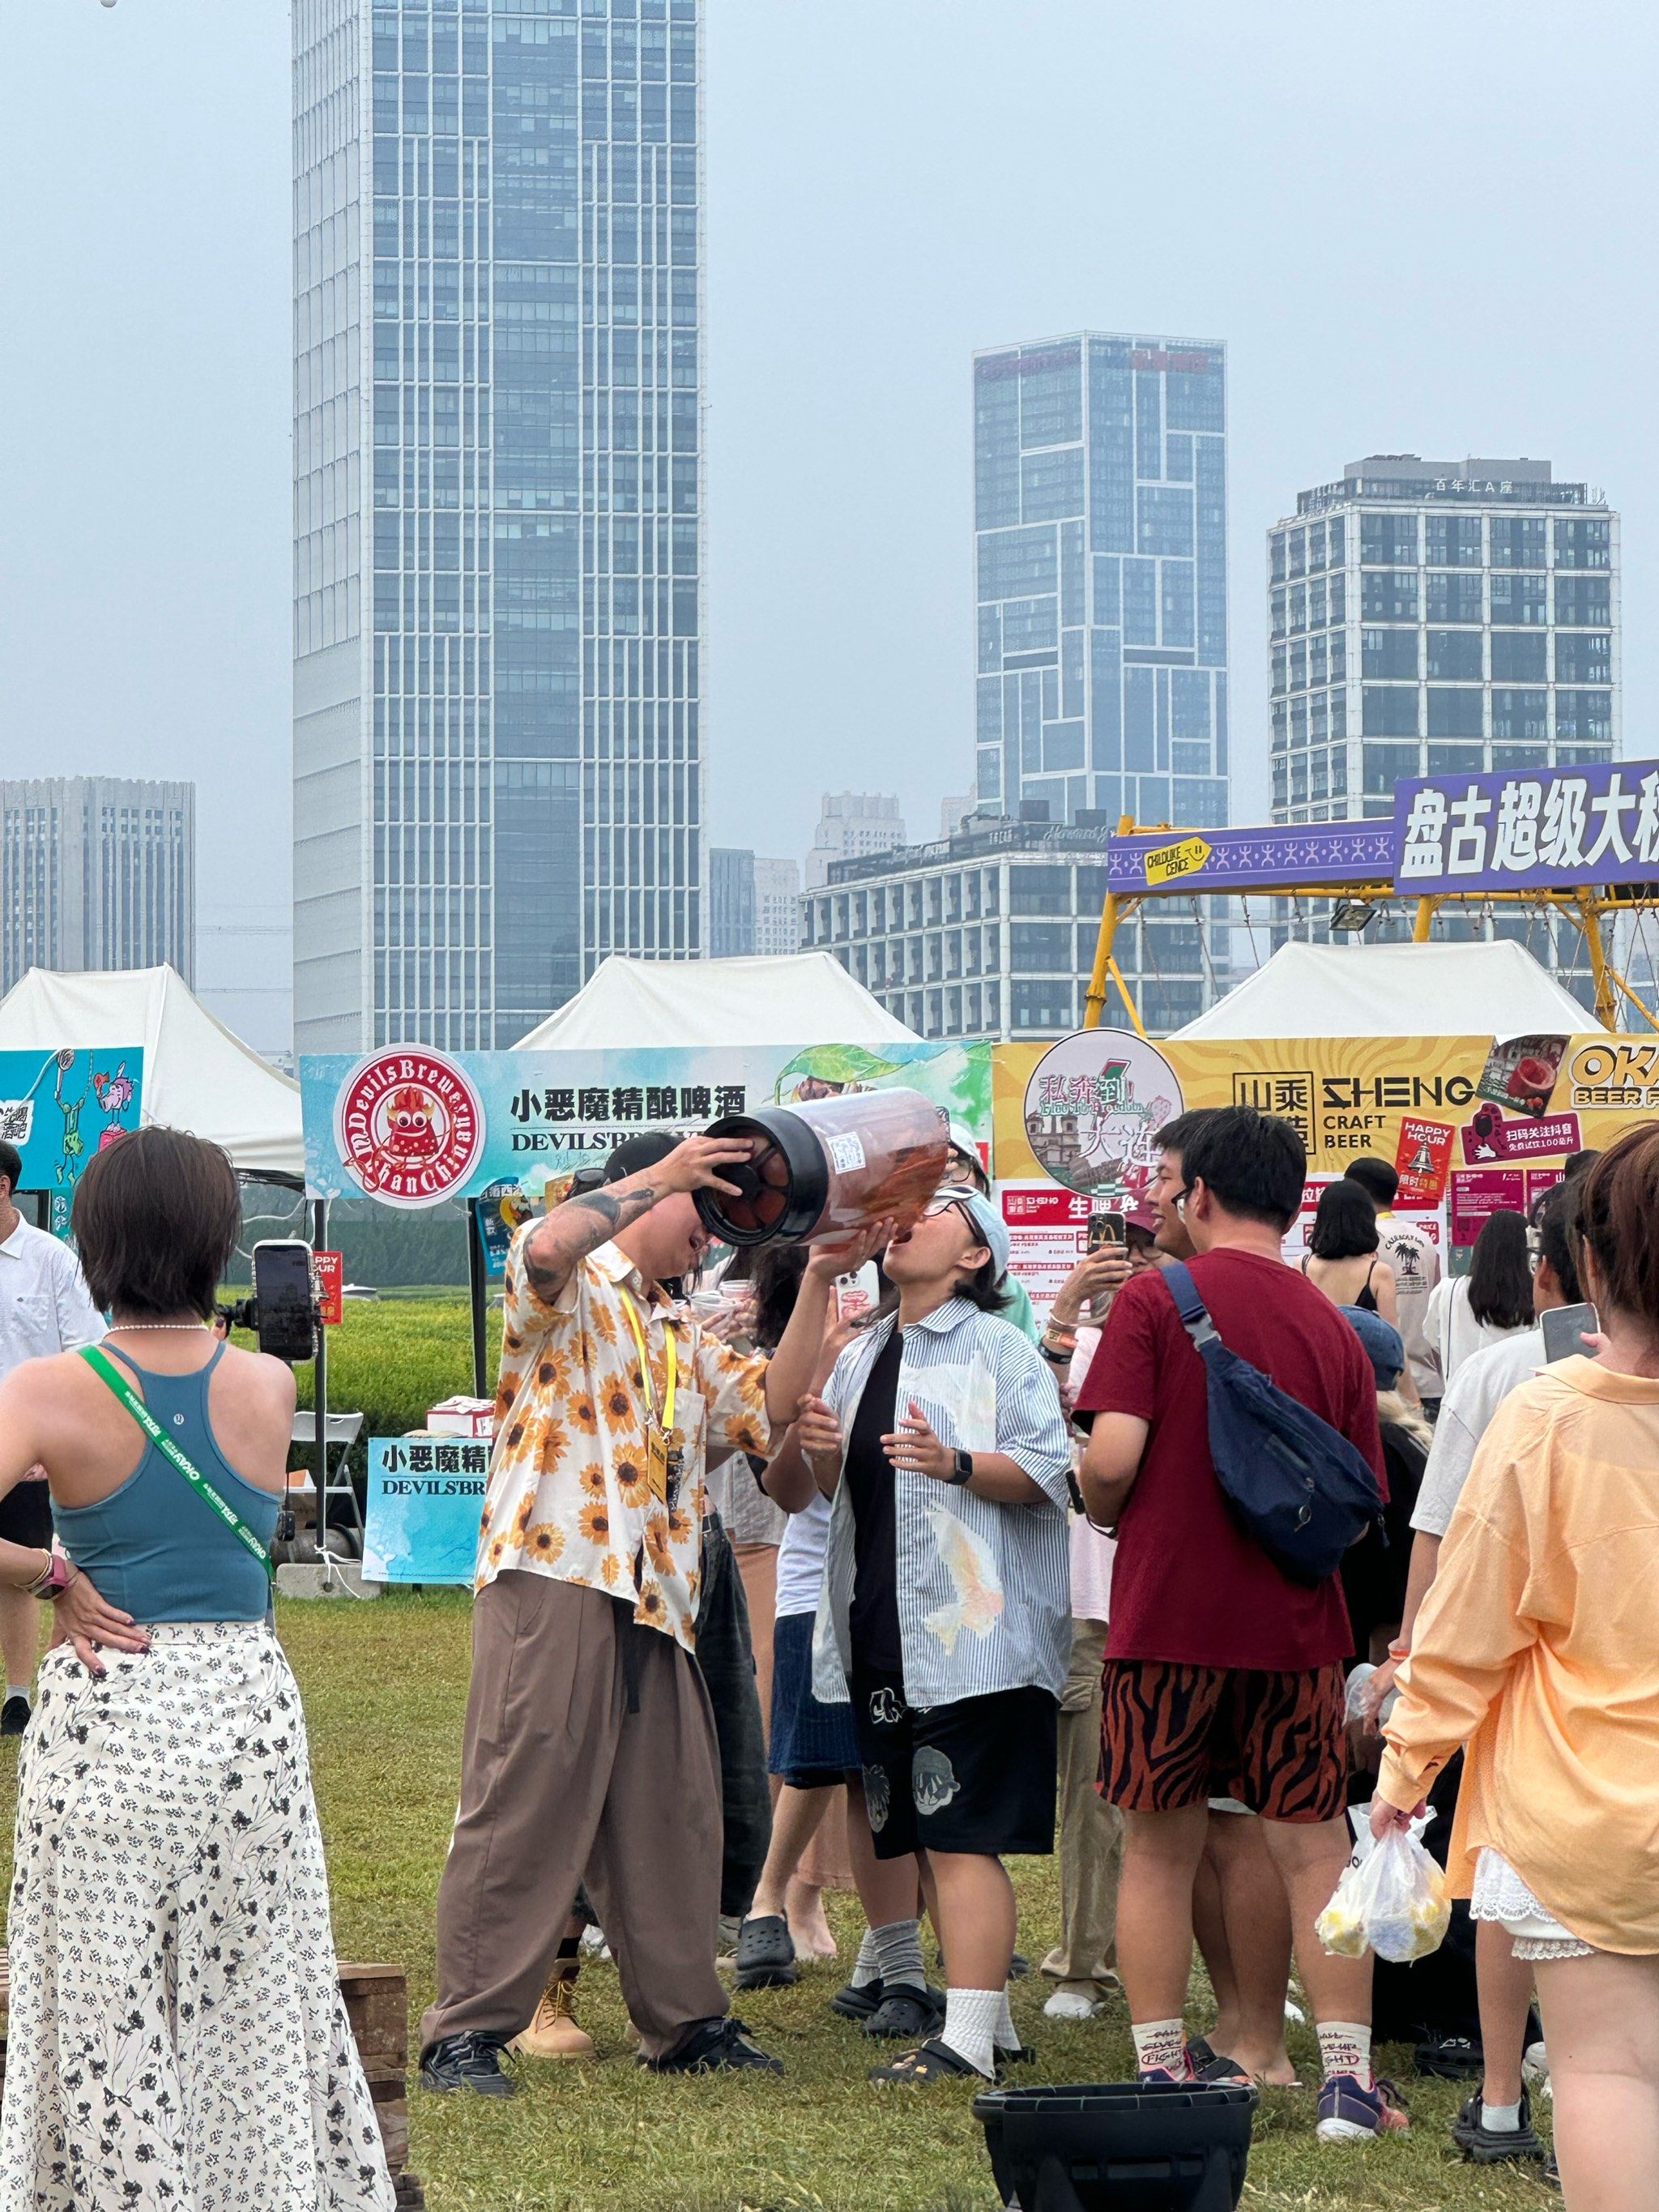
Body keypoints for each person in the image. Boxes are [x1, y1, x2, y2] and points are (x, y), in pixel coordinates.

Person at [421, 1129, 877, 2095]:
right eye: (701, 1213)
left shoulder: (677, 1329)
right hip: (557, 1571)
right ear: (654, 1194)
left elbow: (772, 1404)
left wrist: (826, 1276)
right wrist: (663, 1175)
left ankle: (685, 2023)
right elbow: (544, 1248)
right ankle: (465, 2029)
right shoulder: (572, 1284)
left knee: (669, 1814)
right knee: (522, 1797)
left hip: (657, 1595)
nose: (710, 1239)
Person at [0, 1126, 394, 2209]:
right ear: (217, 1242)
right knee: (255, 2011)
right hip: (243, 1719)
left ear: (95, 1243)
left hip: (110, 1713)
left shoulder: (46, 1388)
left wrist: (48, 1573)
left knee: (100, 2014)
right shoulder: (267, 1384)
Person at [1077, 1105, 1405, 2142]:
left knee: (1158, 1852)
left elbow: (1113, 1460)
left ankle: (1164, 2069)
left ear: (1198, 1195)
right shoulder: (1332, 1326)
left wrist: (1095, 1499)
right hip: (1296, 1631)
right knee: (1314, 1853)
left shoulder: (1152, 1298)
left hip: (1165, 1622)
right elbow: (1360, 1494)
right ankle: (1346, 2082)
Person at [1373, 1125, 1659, 2210]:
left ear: (1593, 1260)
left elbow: (1462, 1630)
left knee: (1606, 2072)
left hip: (1580, 1813)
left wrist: (1403, 1781)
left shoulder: (1543, 1418)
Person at [795, 1186, 1073, 2084]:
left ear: (974, 1257)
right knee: (904, 1823)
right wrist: (817, 1445)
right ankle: (974, 2019)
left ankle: (969, 2037)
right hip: (881, 1626)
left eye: (943, 1208)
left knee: (960, 1834)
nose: (910, 1216)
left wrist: (951, 1462)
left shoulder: (999, 1347)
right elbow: (837, 1490)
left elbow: (1049, 1470)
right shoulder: (865, 1349)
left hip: (974, 1637)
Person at [1359, 1175, 1587, 2163]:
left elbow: (1440, 1528)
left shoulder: (1507, 1384)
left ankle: (1502, 2095)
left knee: (1505, 1877)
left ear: (1547, 1274)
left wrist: (1411, 1660)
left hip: (1525, 1692)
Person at [0, 1138, 107, 1736]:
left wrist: (53, 1440)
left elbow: (85, 1352)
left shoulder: (51, 1259)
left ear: (3, 1187)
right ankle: (54, 1576)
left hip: (27, 1445)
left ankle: (18, 1695)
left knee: (14, 1567)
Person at [1346, 1157, 1442, 1410]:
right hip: (1429, 1382)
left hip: (1383, 1388)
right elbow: (1435, 1301)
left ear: (1357, 1193)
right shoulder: (1425, 1240)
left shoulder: (1361, 1242)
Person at [1421, 1209, 1533, 1392]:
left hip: (1460, 1404)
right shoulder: (1534, 1296)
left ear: (1482, 1246)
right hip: (1516, 1404)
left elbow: (1433, 1339)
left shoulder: (1448, 1292)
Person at [1301, 1180, 1398, 1326]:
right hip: (1364, 1349)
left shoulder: (1303, 1266)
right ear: (1366, 1219)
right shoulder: (1379, 1273)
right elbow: (1391, 1340)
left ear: (1322, 1218)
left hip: (1316, 1348)